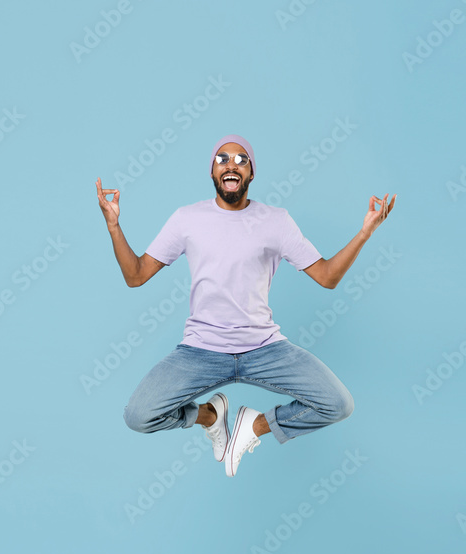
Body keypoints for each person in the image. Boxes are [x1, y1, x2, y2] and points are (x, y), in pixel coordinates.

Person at [95, 134, 395, 477]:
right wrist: (114, 226)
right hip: (201, 351)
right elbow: (135, 276)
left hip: (264, 349)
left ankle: (253, 425)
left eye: (241, 159)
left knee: (339, 404)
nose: (231, 164)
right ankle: (211, 416)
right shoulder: (186, 219)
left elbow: (326, 276)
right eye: (222, 159)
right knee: (138, 416)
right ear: (212, 173)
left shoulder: (276, 220)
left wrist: (364, 233)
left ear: (251, 173)